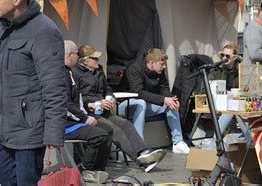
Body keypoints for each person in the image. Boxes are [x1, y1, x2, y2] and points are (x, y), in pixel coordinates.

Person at [0, 0, 68, 185]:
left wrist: (53, 134)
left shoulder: (44, 31)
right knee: (5, 181)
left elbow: (55, 87)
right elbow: (2, 76)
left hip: (30, 132)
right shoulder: (3, 27)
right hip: (5, 129)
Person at [72, 44, 166, 173]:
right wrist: (94, 103)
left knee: (125, 123)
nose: (97, 61)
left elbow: (108, 89)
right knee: (114, 129)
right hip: (89, 113)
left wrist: (110, 98)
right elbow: (76, 97)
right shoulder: (75, 73)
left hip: (104, 111)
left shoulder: (99, 70)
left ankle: (145, 151)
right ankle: (141, 161)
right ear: (84, 61)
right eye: (94, 59)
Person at [119, 48, 191, 154]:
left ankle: (177, 142)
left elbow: (164, 88)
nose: (164, 66)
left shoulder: (158, 70)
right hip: (126, 104)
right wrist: (163, 99)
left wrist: (170, 98)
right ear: (152, 63)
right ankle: (139, 146)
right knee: (141, 103)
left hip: (146, 104)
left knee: (171, 104)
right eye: (162, 64)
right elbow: (138, 92)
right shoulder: (134, 69)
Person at [63, 40, 112, 182]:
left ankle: (98, 170)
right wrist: (84, 118)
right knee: (99, 135)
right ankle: (84, 170)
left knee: (107, 130)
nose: (78, 57)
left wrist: (89, 106)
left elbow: (78, 99)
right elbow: (64, 103)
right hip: (65, 123)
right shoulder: (61, 73)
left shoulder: (70, 72)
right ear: (70, 55)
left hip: (75, 118)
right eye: (77, 54)